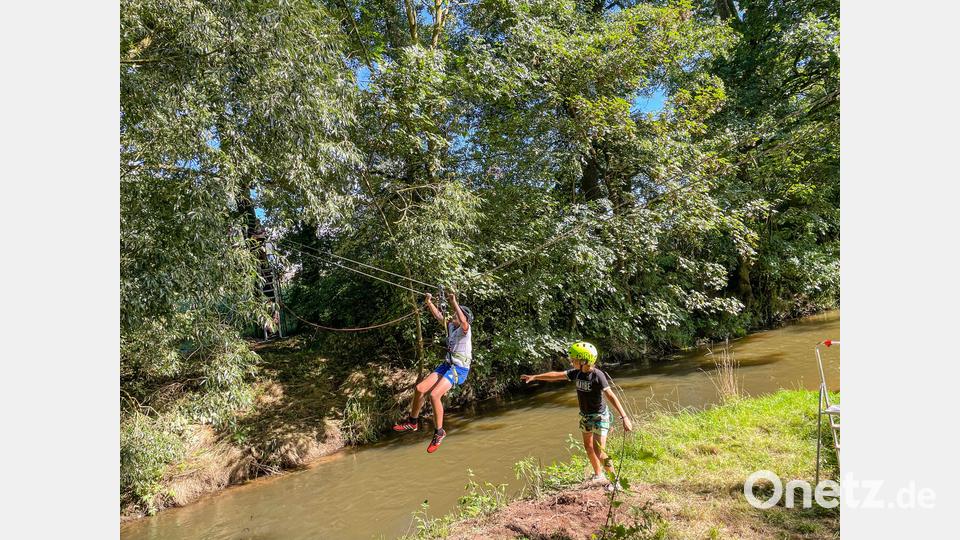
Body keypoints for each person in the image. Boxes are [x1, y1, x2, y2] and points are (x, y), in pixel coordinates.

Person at [521, 341, 633, 491]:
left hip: (600, 416)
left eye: (573, 359)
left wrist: (624, 417)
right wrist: (535, 377)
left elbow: (611, 395)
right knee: (588, 447)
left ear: (584, 361)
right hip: (585, 416)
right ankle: (598, 474)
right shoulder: (577, 373)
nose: (571, 361)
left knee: (600, 451)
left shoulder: (598, 375)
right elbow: (557, 375)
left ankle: (615, 481)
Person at [393, 291, 474, 453]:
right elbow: (439, 316)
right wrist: (429, 302)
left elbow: (463, 320)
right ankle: (413, 422)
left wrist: (454, 302)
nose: (452, 316)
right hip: (447, 364)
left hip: (459, 369)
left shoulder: (466, 329)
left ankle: (439, 432)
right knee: (420, 389)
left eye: (456, 315)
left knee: (434, 395)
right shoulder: (452, 326)